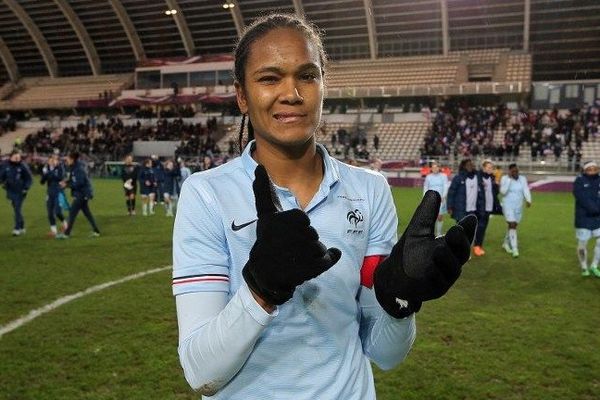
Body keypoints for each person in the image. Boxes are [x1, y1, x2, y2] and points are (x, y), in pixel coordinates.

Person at [172, 13, 476, 400]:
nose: (292, 93)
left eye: (307, 75)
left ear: (322, 84)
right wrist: (261, 291)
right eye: (269, 78)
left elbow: (385, 354)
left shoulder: (369, 190)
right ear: (242, 96)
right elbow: (200, 372)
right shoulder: (206, 194)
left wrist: (399, 300)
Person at [56, 152, 100, 239]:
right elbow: (74, 180)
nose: (66, 161)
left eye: (67, 159)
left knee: (72, 213)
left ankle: (66, 234)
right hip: (82, 193)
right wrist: (66, 182)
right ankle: (96, 231)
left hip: (82, 194)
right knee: (87, 214)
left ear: (72, 159)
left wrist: (67, 185)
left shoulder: (78, 169)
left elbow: (79, 183)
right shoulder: (75, 167)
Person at [572, 161, 600, 277]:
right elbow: (581, 197)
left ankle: (594, 265)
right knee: (583, 244)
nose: (593, 171)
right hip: (583, 217)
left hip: (598, 217)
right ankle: (584, 267)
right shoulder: (579, 181)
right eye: (590, 169)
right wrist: (595, 209)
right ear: (585, 170)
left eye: (595, 168)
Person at [499, 163, 532, 258]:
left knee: (512, 226)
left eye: (517, 171)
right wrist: (509, 179)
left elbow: (525, 189)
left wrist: (528, 199)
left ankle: (505, 243)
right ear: (509, 171)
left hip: (518, 206)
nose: (515, 172)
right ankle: (515, 248)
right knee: (512, 224)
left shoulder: (523, 179)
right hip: (508, 206)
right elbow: (503, 192)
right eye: (513, 171)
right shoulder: (505, 179)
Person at [473, 159, 502, 256]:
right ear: (483, 168)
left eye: (492, 168)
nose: (490, 169)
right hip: (480, 207)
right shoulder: (478, 177)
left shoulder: (492, 178)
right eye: (488, 167)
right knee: (480, 227)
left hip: (489, 207)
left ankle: (479, 245)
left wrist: (497, 185)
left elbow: (495, 193)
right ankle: (476, 246)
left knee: (483, 227)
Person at [0, 149, 32, 236]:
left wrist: (26, 188)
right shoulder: (5, 164)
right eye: (16, 157)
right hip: (10, 191)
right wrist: (3, 183)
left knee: (17, 208)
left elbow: (29, 178)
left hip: (21, 191)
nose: (18, 159)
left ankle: (17, 228)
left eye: (19, 157)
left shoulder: (22, 165)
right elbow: (1, 175)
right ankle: (22, 226)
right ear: (11, 157)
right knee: (16, 209)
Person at [447, 158, 483, 224]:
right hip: (461, 208)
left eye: (471, 165)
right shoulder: (458, 177)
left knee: (471, 229)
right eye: (468, 165)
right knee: (460, 227)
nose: (470, 166)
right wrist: (449, 206)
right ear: (463, 166)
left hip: (474, 209)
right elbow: (451, 192)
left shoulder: (477, 176)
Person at [40, 153, 68, 236]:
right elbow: (42, 182)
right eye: (51, 159)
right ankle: (53, 231)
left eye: (55, 159)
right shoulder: (46, 169)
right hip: (50, 193)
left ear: (57, 161)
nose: (52, 161)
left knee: (58, 212)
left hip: (59, 192)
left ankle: (66, 224)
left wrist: (49, 173)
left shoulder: (60, 168)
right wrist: (45, 174)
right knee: (49, 213)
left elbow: (60, 177)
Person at [422, 160, 449, 236]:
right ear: (431, 168)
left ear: (439, 168)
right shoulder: (428, 177)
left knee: (440, 216)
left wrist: (443, 196)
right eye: (433, 167)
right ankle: (430, 233)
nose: (435, 169)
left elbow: (445, 186)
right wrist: (425, 197)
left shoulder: (443, 176)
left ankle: (439, 233)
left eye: (436, 167)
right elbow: (425, 187)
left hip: (441, 199)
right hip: (431, 199)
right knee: (431, 217)